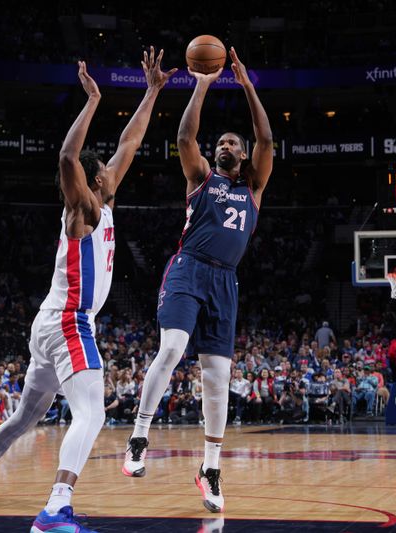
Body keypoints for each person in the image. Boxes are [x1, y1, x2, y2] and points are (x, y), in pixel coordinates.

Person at [0, 49, 175, 530]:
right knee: (93, 413)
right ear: (91, 179)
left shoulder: (104, 200)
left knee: (24, 419)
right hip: (69, 321)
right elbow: (67, 155)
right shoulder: (81, 208)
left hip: (50, 324)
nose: (113, 169)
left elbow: (130, 142)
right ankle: (56, 508)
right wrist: (93, 101)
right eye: (103, 168)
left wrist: (151, 91)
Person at [123, 46, 273, 514]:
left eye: (232, 143)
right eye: (221, 143)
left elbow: (267, 140)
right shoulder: (202, 178)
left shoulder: (254, 186)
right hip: (188, 268)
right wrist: (202, 84)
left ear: (243, 155)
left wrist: (247, 85)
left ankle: (210, 469)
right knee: (170, 349)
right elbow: (186, 135)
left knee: (218, 376)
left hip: (225, 282)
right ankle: (139, 435)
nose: (223, 146)